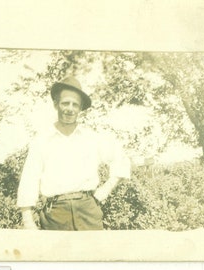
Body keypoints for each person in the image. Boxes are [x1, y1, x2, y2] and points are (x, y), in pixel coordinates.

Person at [17, 76, 130, 230]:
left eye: (75, 104)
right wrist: (28, 220)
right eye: (65, 103)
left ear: (80, 108)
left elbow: (120, 158)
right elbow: (29, 179)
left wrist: (106, 189)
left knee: (93, 254)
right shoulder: (41, 140)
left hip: (88, 211)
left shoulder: (91, 138)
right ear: (56, 104)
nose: (70, 108)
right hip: (55, 214)